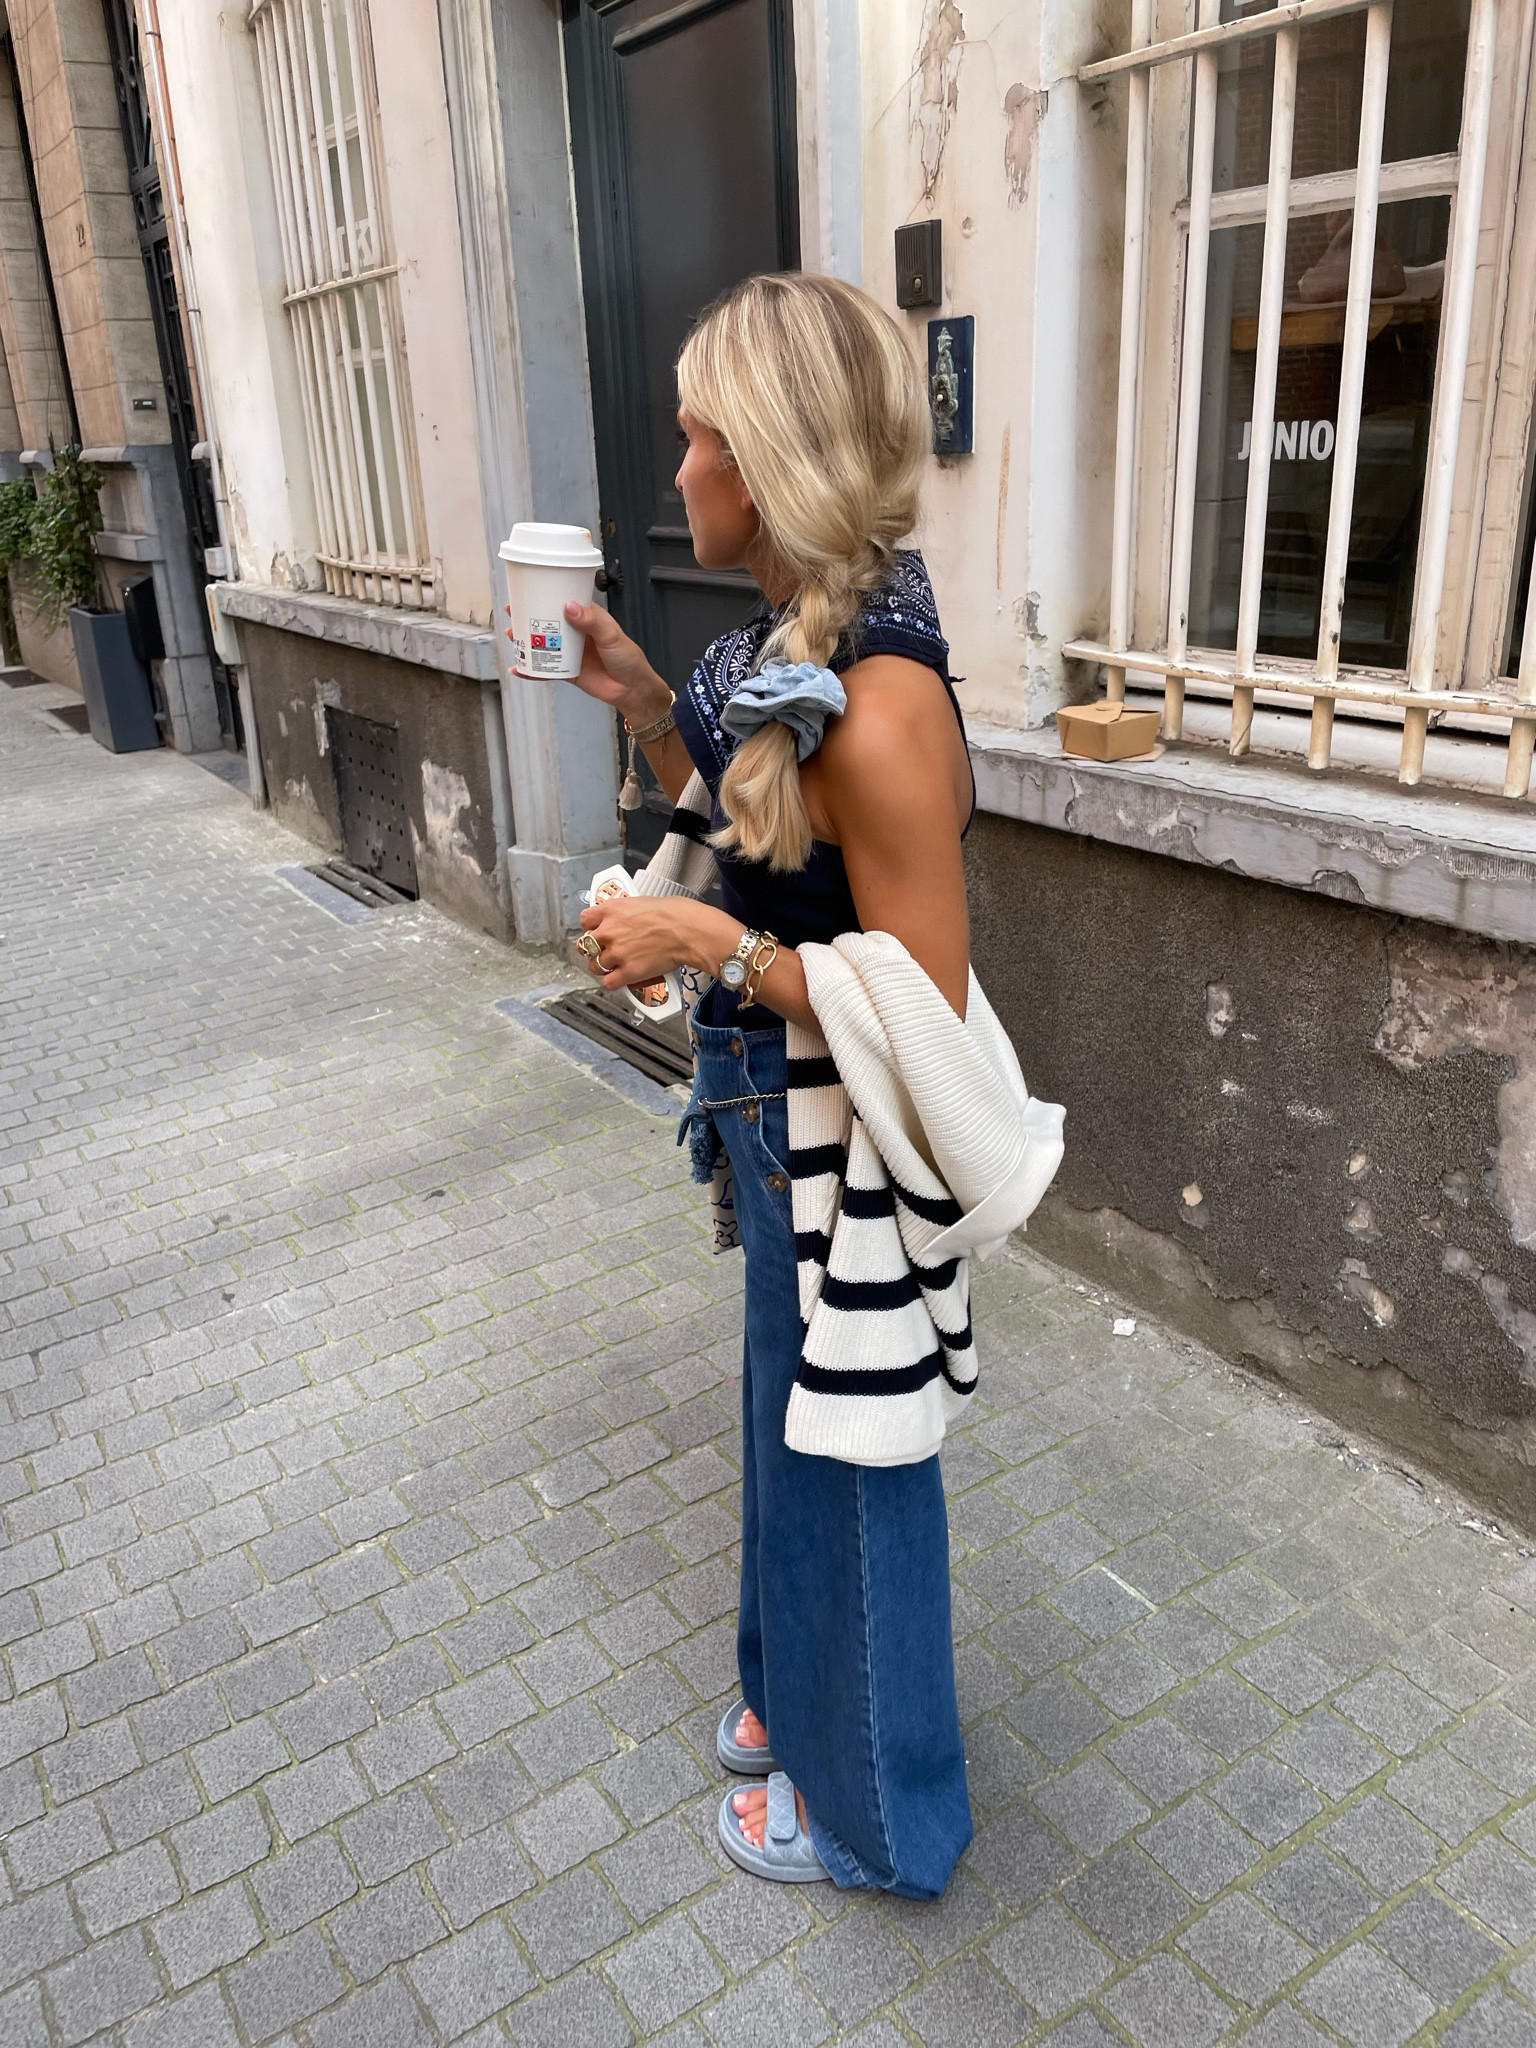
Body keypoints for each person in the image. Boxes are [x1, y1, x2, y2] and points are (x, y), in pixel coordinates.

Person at [560, 273, 975, 1898]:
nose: (676, 471)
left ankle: (882, 1815)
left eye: (695, 435)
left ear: (771, 456)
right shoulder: (783, 652)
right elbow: (768, 848)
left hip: (840, 1144)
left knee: (857, 1463)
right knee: (785, 1436)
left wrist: (707, 946)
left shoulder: (878, 709)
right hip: (775, 1118)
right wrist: (654, 711)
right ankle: (796, 1702)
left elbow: (922, 1008)